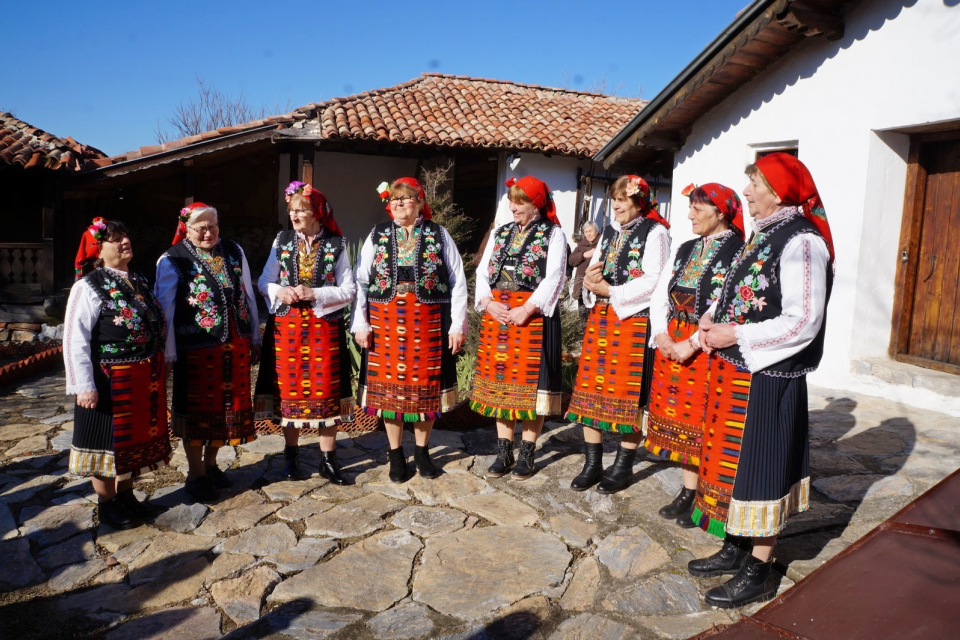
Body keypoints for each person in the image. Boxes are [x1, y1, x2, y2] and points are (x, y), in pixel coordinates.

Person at [689, 153, 833, 608]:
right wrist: (713, 321)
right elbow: (737, 296)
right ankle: (736, 545)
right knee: (735, 465)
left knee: (763, 469)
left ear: (777, 192)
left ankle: (761, 567)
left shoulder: (803, 242)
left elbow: (803, 320)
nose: (746, 192)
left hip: (770, 377)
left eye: (753, 184)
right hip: (738, 372)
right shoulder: (763, 236)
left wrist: (737, 333)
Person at [353, 177, 467, 482]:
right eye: (396, 200)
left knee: (424, 393)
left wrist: (457, 325)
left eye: (407, 199)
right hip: (384, 322)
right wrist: (361, 322)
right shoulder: (376, 235)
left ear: (419, 203)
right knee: (391, 394)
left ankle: (421, 452)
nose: (401, 204)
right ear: (389, 205)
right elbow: (361, 280)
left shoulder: (438, 234)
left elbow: (457, 281)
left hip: (427, 321)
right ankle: (395, 455)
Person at [645, 183, 745, 527]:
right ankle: (688, 490)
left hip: (705, 347)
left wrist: (690, 342)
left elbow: (725, 303)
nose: (690, 215)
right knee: (682, 423)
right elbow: (662, 290)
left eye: (698, 209)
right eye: (690, 208)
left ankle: (705, 492)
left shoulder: (738, 251)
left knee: (704, 422)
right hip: (671, 337)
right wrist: (661, 334)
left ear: (721, 213)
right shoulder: (686, 247)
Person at [565, 175, 670, 493]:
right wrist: (591, 283)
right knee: (590, 393)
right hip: (602, 319)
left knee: (630, 398)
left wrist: (609, 289)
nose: (616, 206)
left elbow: (656, 280)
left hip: (635, 322)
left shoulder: (657, 232)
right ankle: (592, 463)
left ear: (640, 202)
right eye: (614, 200)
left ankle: (623, 465)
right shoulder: (610, 232)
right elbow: (593, 268)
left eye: (623, 200)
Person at [64, 219, 170, 529]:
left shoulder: (138, 280)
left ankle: (126, 497)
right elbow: (75, 337)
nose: (124, 242)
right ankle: (107, 503)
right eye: (115, 240)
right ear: (99, 249)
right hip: (108, 379)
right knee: (106, 444)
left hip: (140, 375)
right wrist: (84, 385)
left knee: (131, 443)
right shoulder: (88, 285)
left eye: (125, 237)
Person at [155, 202, 260, 502]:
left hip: (234, 345)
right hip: (196, 349)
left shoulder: (233, 250)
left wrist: (254, 335)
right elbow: (167, 309)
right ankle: (195, 473)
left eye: (212, 226)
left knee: (227, 410)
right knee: (198, 412)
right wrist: (170, 352)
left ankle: (211, 465)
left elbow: (247, 293)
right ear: (186, 230)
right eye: (200, 228)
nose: (207, 233)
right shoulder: (172, 259)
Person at [257, 182, 356, 483]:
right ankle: (291, 457)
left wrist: (315, 293)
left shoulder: (337, 244)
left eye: (302, 209)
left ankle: (328, 459)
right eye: (292, 210)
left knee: (327, 391)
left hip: (323, 329)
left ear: (316, 213)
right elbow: (264, 281)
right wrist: (280, 290)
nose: (296, 215)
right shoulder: (282, 241)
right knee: (288, 394)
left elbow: (349, 290)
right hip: (286, 329)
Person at [472, 176, 568, 480]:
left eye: (520, 202)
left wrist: (527, 309)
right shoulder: (500, 233)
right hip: (499, 314)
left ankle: (527, 452)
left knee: (531, 389)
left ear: (536, 204)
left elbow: (555, 276)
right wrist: (487, 303)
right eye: (511, 201)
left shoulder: (554, 234)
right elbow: (481, 272)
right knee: (501, 387)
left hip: (533, 316)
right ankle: (504, 452)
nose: (513, 207)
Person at [568, 221, 600, 302]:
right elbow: (571, 261)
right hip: (581, 285)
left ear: (596, 231)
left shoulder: (602, 243)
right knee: (582, 312)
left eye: (590, 231)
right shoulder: (581, 245)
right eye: (586, 232)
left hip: (597, 285)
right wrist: (583, 255)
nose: (588, 234)